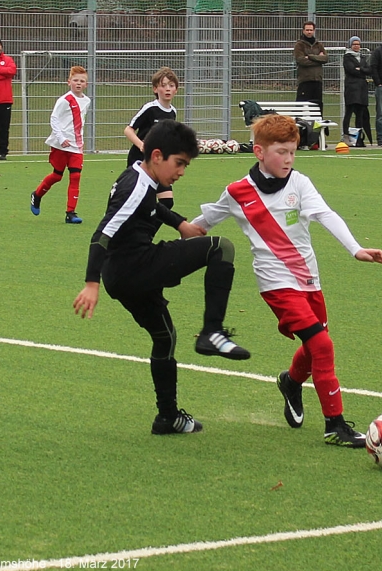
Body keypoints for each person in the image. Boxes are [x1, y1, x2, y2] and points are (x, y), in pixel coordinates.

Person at [191, 114, 382, 448]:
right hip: (276, 284)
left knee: (314, 349)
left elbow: (325, 214)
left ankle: (291, 382)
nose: (288, 159)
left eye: (293, 152)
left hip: (309, 279)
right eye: (281, 152)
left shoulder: (299, 183)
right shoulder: (238, 192)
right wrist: (162, 236)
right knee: (322, 345)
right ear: (259, 152)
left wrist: (355, 249)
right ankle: (335, 426)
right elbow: (201, 225)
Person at [73, 120, 251, 436]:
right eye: (179, 163)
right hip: (137, 267)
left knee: (164, 336)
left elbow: (151, 208)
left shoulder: (137, 175)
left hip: (121, 277)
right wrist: (90, 283)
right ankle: (212, 331)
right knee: (220, 248)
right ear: (157, 156)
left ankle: (167, 417)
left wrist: (181, 224)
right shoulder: (136, 186)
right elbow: (102, 234)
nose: (181, 171)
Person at [30, 66, 91, 224]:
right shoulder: (65, 100)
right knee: (57, 175)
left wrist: (79, 140)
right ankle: (37, 194)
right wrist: (61, 137)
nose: (78, 83)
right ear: (69, 82)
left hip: (76, 146)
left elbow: (80, 122)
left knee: (75, 176)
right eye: (75, 80)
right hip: (61, 145)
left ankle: (70, 213)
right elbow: (54, 118)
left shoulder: (87, 101)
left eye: (82, 81)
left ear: (86, 84)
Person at [125, 67, 179, 209]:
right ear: (155, 89)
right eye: (163, 85)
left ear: (176, 90)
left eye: (171, 85)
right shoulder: (150, 109)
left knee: (167, 202)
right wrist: (142, 145)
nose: (167, 89)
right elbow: (128, 130)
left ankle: (149, 225)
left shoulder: (173, 112)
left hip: (159, 163)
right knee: (139, 202)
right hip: (140, 161)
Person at [342, 36, 373, 147]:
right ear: (350, 45)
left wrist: (361, 69)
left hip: (362, 89)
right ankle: (346, 136)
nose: (356, 46)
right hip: (351, 88)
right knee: (349, 112)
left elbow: (369, 70)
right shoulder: (347, 57)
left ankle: (358, 138)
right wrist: (362, 70)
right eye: (354, 44)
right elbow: (351, 70)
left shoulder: (363, 57)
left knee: (360, 114)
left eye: (358, 44)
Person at [294, 21, 329, 117]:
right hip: (305, 81)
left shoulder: (319, 45)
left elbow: (325, 58)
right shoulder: (299, 45)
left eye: (311, 30)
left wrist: (310, 57)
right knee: (301, 108)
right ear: (303, 31)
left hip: (317, 80)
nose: (309, 32)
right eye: (307, 30)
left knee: (317, 109)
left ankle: (316, 126)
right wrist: (318, 59)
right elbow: (301, 60)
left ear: (314, 31)